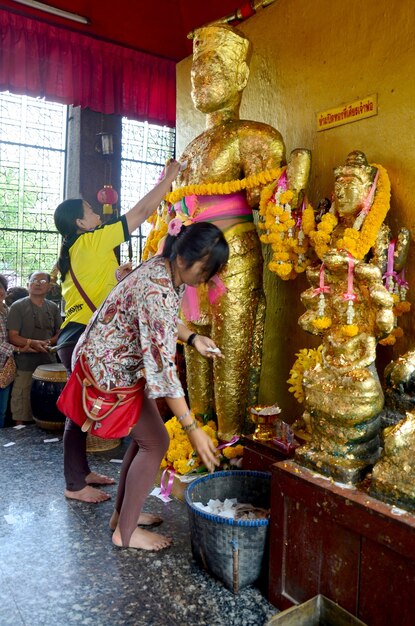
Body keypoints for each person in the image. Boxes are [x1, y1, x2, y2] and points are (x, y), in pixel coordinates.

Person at [170, 25, 309, 441]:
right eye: (196, 65)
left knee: (231, 355)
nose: (199, 73)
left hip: (232, 259)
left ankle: (230, 443)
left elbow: (268, 200)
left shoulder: (257, 136)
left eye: (212, 63)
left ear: (241, 77)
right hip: (188, 260)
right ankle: (196, 439)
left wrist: (294, 181)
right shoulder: (192, 147)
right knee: (194, 351)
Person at [71, 221, 229, 550]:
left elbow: (166, 321)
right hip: (108, 369)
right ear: (186, 259)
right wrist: (192, 429)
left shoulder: (167, 271)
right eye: (207, 269)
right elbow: (163, 371)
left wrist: (194, 337)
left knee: (148, 438)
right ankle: (125, 534)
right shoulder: (157, 284)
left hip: (117, 364)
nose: (207, 279)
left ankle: (122, 518)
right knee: (155, 442)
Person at [55, 159, 182, 503]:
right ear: (81, 223)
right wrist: (169, 178)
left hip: (75, 336)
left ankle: (80, 474)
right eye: (90, 210)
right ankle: (74, 484)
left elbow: (93, 291)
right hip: (85, 337)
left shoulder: (77, 249)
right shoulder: (93, 239)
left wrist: (116, 279)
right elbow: (141, 212)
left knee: (81, 410)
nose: (97, 212)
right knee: (80, 411)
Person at [7, 271, 62, 425]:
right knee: (21, 403)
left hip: (48, 365)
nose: (38, 283)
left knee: (47, 405)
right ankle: (19, 437)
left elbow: (59, 333)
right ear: (28, 284)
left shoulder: (53, 307)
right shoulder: (18, 307)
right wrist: (32, 343)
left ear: (49, 287)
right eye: (34, 280)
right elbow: (13, 336)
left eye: (43, 281)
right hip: (25, 364)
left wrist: (48, 343)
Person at [0, 274, 21, 427]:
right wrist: (19, 349)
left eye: (0, 288)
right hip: (7, 357)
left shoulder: (8, 311)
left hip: (5, 368)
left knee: (2, 410)